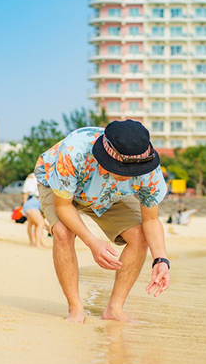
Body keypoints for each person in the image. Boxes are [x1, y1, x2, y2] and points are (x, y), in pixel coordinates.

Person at [34, 120, 169, 323]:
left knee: (140, 236)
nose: (129, 176)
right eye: (123, 170)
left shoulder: (148, 168)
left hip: (110, 193)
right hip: (60, 189)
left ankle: (114, 309)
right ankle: (75, 308)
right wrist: (92, 242)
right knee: (63, 232)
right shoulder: (73, 151)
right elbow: (63, 206)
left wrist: (161, 260)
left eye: (133, 172)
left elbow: (151, 220)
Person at [22, 173, 46, 248]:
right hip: (33, 202)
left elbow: (25, 192)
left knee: (32, 223)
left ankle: (33, 242)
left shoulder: (32, 176)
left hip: (31, 202)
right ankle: (37, 243)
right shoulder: (35, 176)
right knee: (40, 223)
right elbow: (25, 193)